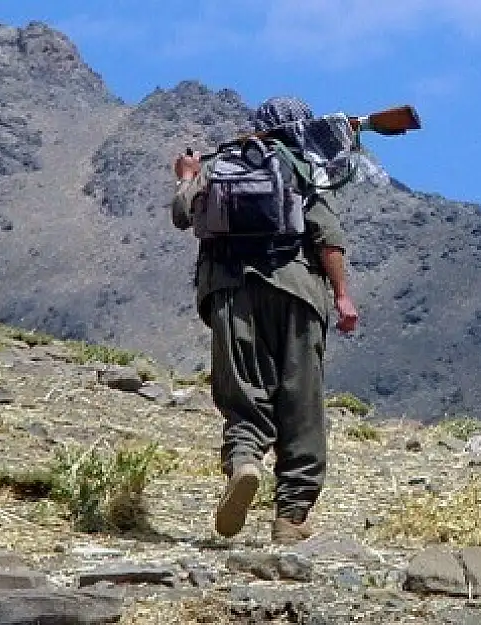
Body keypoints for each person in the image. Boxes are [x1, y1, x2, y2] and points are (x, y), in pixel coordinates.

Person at [170, 96, 358, 545]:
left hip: (232, 294)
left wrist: (187, 178)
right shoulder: (300, 167)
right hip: (296, 293)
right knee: (301, 404)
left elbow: (182, 215)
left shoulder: (219, 165)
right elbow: (327, 240)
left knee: (243, 397)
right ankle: (291, 517)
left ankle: (245, 461)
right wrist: (343, 296)